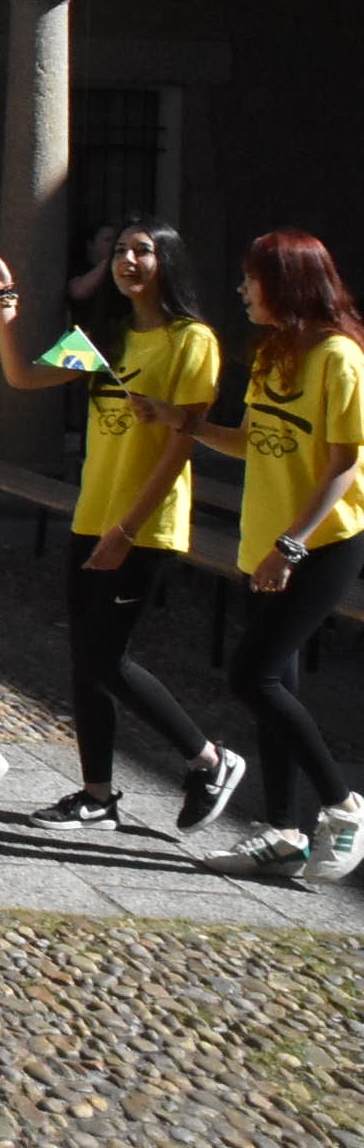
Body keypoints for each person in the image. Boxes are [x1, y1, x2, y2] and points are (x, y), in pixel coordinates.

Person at [0, 222, 246, 834]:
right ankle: (97, 794)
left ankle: (208, 759)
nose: (127, 260)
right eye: (120, 251)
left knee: (108, 658)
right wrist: (5, 301)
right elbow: (22, 376)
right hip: (90, 516)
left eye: (142, 251)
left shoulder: (191, 341)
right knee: (85, 660)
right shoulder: (106, 339)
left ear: (167, 261)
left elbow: (182, 447)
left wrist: (125, 529)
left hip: (142, 526)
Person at [136, 230, 364, 883]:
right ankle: (285, 833)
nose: (242, 290)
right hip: (263, 544)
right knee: (276, 685)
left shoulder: (340, 359)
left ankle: (344, 805)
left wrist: (291, 545)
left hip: (322, 543)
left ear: (287, 285)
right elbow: (256, 440)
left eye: (251, 279)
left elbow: (344, 466)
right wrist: (184, 424)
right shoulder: (274, 355)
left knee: (252, 677)